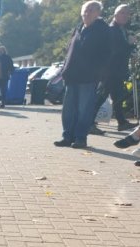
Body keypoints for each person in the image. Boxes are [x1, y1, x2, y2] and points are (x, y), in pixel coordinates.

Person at [53, 1, 110, 150]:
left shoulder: (103, 30)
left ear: (98, 13)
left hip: (88, 77)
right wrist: (64, 69)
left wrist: (99, 74)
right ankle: (67, 137)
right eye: (86, 9)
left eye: (92, 10)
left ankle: (80, 138)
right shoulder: (78, 28)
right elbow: (69, 51)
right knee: (68, 109)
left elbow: (106, 55)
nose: (88, 12)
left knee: (84, 110)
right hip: (71, 75)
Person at [91, 4, 136, 134]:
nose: (125, 16)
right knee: (102, 96)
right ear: (115, 15)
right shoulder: (112, 30)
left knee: (117, 96)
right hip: (110, 70)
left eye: (127, 13)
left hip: (116, 70)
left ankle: (121, 122)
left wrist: (130, 48)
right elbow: (116, 51)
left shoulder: (122, 29)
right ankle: (88, 123)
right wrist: (130, 45)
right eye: (122, 13)